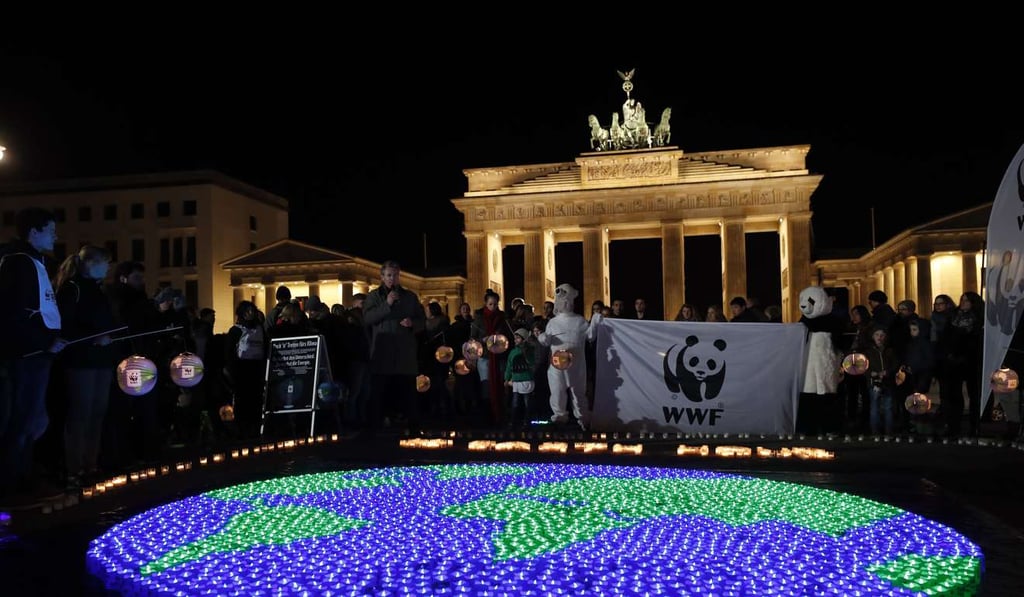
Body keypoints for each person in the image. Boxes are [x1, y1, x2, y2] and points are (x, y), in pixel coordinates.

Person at [0, 207, 68, 506]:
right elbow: (13, 312)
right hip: (27, 354)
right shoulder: (19, 264)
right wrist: (42, 342)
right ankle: (14, 484)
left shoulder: (32, 262)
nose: (56, 236)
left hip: (35, 352)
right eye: (51, 230)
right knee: (23, 419)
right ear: (34, 232)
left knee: (32, 419)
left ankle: (22, 476)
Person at [53, 245, 117, 489]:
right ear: (91, 263)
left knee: (97, 413)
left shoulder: (97, 290)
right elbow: (63, 325)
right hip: (80, 361)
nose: (108, 268)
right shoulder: (73, 288)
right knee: (80, 414)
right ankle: (74, 469)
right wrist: (93, 338)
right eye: (105, 263)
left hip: (100, 360)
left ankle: (90, 465)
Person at [363, 261, 425, 429]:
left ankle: (413, 429)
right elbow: (368, 319)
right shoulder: (374, 297)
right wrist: (387, 305)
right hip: (383, 356)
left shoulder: (410, 297)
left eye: (395, 275)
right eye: (389, 275)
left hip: (404, 357)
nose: (392, 279)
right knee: (379, 395)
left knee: (408, 396)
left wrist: (413, 323)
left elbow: (422, 322)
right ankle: (375, 429)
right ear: (382, 277)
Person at [504, 328, 535, 429]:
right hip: (516, 380)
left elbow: (531, 362)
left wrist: (525, 351)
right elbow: (509, 366)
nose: (515, 340)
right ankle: (513, 421)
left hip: (526, 378)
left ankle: (527, 421)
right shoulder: (513, 352)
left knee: (527, 403)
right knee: (515, 403)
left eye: (518, 338)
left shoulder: (529, 350)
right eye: (515, 338)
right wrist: (506, 378)